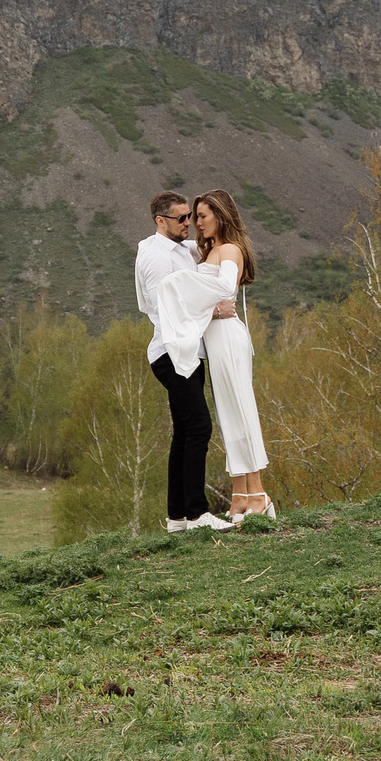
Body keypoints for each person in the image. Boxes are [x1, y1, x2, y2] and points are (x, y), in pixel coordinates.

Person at [149, 189, 272, 520]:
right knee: (229, 416)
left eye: (202, 216)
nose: (195, 223)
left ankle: (258, 495)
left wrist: (196, 300)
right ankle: (239, 497)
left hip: (227, 338)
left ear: (220, 216)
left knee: (242, 410)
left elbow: (225, 288)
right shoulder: (209, 251)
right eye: (192, 216)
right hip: (213, 342)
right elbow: (168, 247)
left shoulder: (229, 249)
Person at [135, 191, 239, 533]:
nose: (189, 223)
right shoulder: (156, 258)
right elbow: (162, 308)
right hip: (172, 353)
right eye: (182, 218)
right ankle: (197, 514)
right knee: (199, 427)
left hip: (186, 351)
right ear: (160, 221)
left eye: (190, 217)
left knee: (183, 433)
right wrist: (214, 310)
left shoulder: (183, 250)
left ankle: (177, 518)